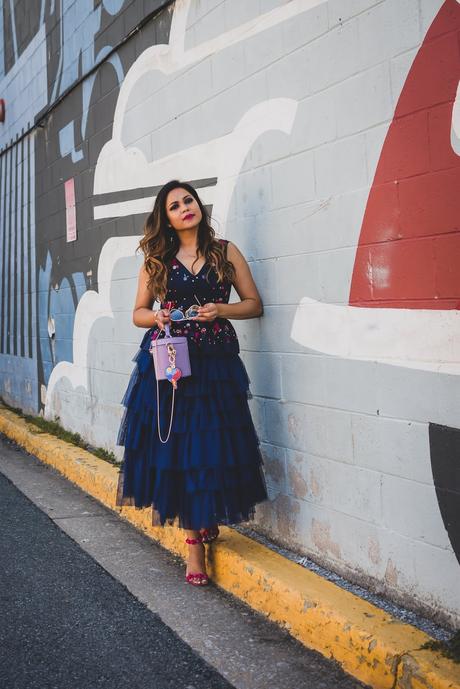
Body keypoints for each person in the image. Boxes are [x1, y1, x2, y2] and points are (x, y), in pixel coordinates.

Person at [116, 179, 269, 586]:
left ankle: (205, 514)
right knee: (181, 447)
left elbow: (254, 305)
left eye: (188, 200)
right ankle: (193, 544)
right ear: (164, 217)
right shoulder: (156, 260)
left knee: (213, 446)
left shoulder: (225, 252)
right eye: (174, 205)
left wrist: (222, 308)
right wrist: (159, 317)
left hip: (216, 365)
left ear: (199, 206)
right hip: (171, 367)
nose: (184, 207)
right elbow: (138, 313)